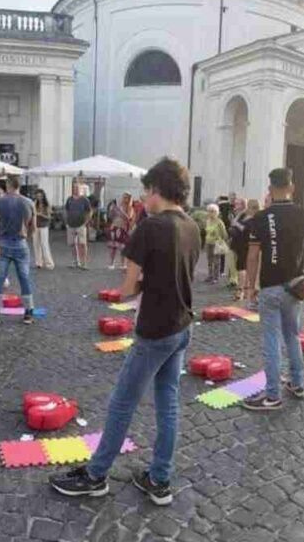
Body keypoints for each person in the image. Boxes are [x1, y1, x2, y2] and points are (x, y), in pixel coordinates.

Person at [50, 157, 200, 505]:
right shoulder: (192, 226)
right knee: (168, 404)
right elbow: (177, 274)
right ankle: (159, 479)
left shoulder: (149, 228)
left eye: (145, 192)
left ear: (156, 190)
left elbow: (128, 290)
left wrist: (127, 287)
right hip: (182, 326)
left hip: (155, 330)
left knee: (121, 403)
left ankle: (96, 475)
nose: (143, 199)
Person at [242, 168, 304, 411]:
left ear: (270, 189)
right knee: (292, 335)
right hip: (295, 286)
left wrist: (249, 286)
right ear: (292, 187)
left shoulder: (261, 218)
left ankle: (272, 395)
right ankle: (297, 383)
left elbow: (252, 256)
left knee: (271, 340)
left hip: (270, 286)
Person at [0, 177, 36, 325]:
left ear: (8, 186)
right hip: (21, 243)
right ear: (19, 186)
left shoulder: (1, 201)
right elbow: (33, 226)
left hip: (4, 242)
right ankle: (28, 312)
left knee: (0, 277)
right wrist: (26, 235)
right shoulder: (29, 202)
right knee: (24, 277)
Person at [229, 198, 260, 301]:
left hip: (245, 245)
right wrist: (238, 216)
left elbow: (245, 229)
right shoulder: (243, 216)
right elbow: (234, 223)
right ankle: (245, 290)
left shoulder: (254, 218)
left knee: (242, 267)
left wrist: (237, 224)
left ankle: (240, 290)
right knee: (243, 267)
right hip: (239, 244)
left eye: (249, 206)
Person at [64, 182, 93, 269]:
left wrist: (86, 222)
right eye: (74, 188)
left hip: (81, 224)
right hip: (71, 224)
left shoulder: (84, 200)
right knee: (72, 244)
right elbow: (66, 210)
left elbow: (90, 211)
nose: (76, 190)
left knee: (82, 244)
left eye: (77, 188)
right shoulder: (69, 199)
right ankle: (75, 262)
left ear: (80, 189)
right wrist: (66, 221)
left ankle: (84, 263)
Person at [107, 193, 134, 270]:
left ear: (129, 199)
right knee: (113, 247)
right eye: (123, 197)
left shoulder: (130, 208)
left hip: (122, 228)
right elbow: (111, 217)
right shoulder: (118, 207)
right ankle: (111, 263)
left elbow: (128, 218)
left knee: (122, 247)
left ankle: (123, 264)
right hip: (114, 227)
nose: (124, 199)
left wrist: (121, 211)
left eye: (126, 198)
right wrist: (112, 210)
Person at [203, 204, 229, 284]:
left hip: (216, 243)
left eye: (212, 211)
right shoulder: (207, 221)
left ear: (216, 212)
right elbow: (206, 232)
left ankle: (215, 278)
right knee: (209, 261)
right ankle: (210, 275)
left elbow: (224, 234)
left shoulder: (219, 222)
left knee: (216, 261)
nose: (210, 213)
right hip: (208, 243)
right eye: (209, 211)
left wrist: (221, 241)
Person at [32, 190, 55, 270]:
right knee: (36, 244)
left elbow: (49, 217)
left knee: (44, 244)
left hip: (44, 226)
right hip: (36, 226)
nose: (39, 198)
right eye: (37, 196)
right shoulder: (34, 203)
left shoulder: (47, 204)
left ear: (43, 196)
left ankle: (49, 263)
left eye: (40, 196)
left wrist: (41, 214)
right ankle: (38, 262)